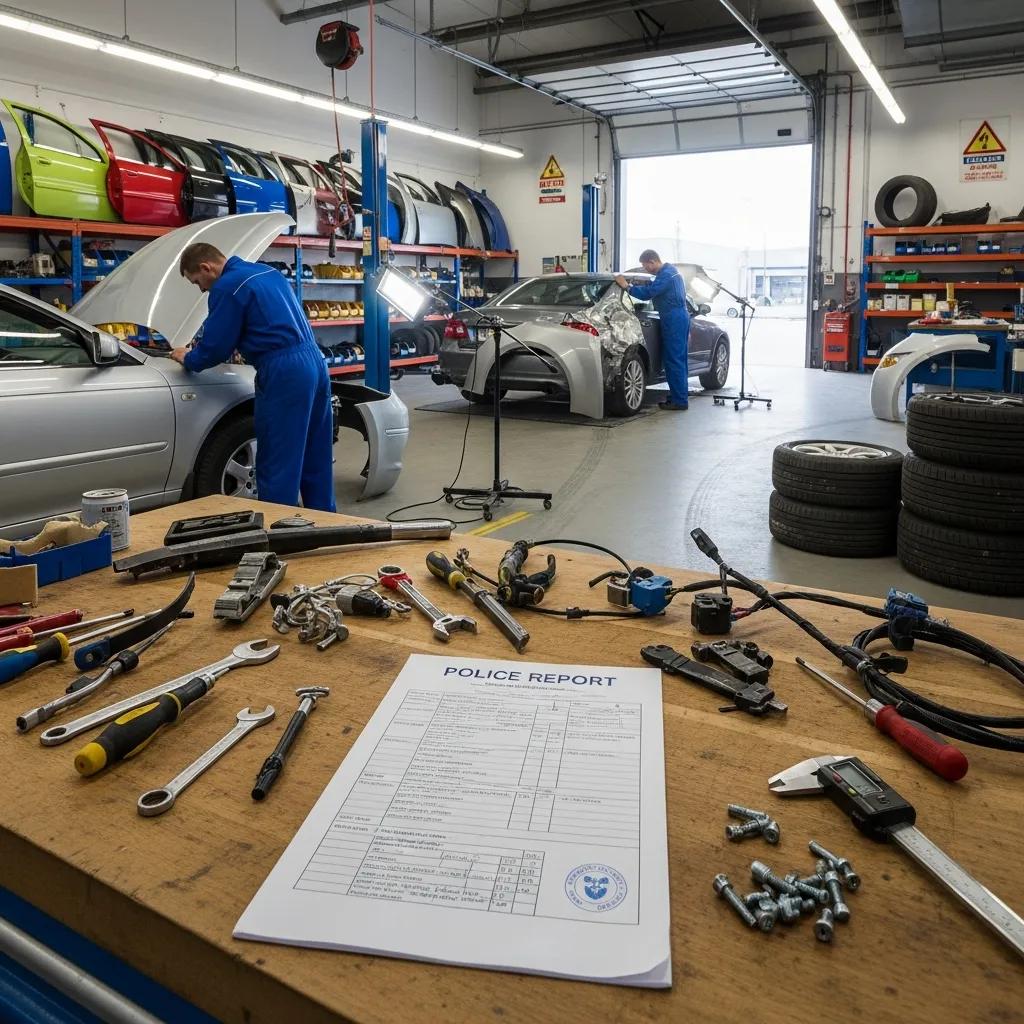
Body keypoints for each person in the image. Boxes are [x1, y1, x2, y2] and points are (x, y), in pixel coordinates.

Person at [171, 243, 336, 512]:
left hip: (284, 371)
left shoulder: (227, 287)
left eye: (197, 282)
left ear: (206, 267)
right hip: (315, 361)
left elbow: (215, 348)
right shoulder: (266, 272)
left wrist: (187, 357)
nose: (201, 289)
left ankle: (278, 531)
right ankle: (330, 527)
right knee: (315, 454)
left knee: (278, 459)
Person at [615, 250, 690, 410]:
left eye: (645, 265)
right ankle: (680, 395)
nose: (646, 269)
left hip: (673, 319)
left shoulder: (666, 275)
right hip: (678, 316)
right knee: (679, 359)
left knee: (673, 360)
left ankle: (680, 401)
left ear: (652, 261)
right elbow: (655, 288)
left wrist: (627, 286)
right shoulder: (670, 272)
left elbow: (648, 294)